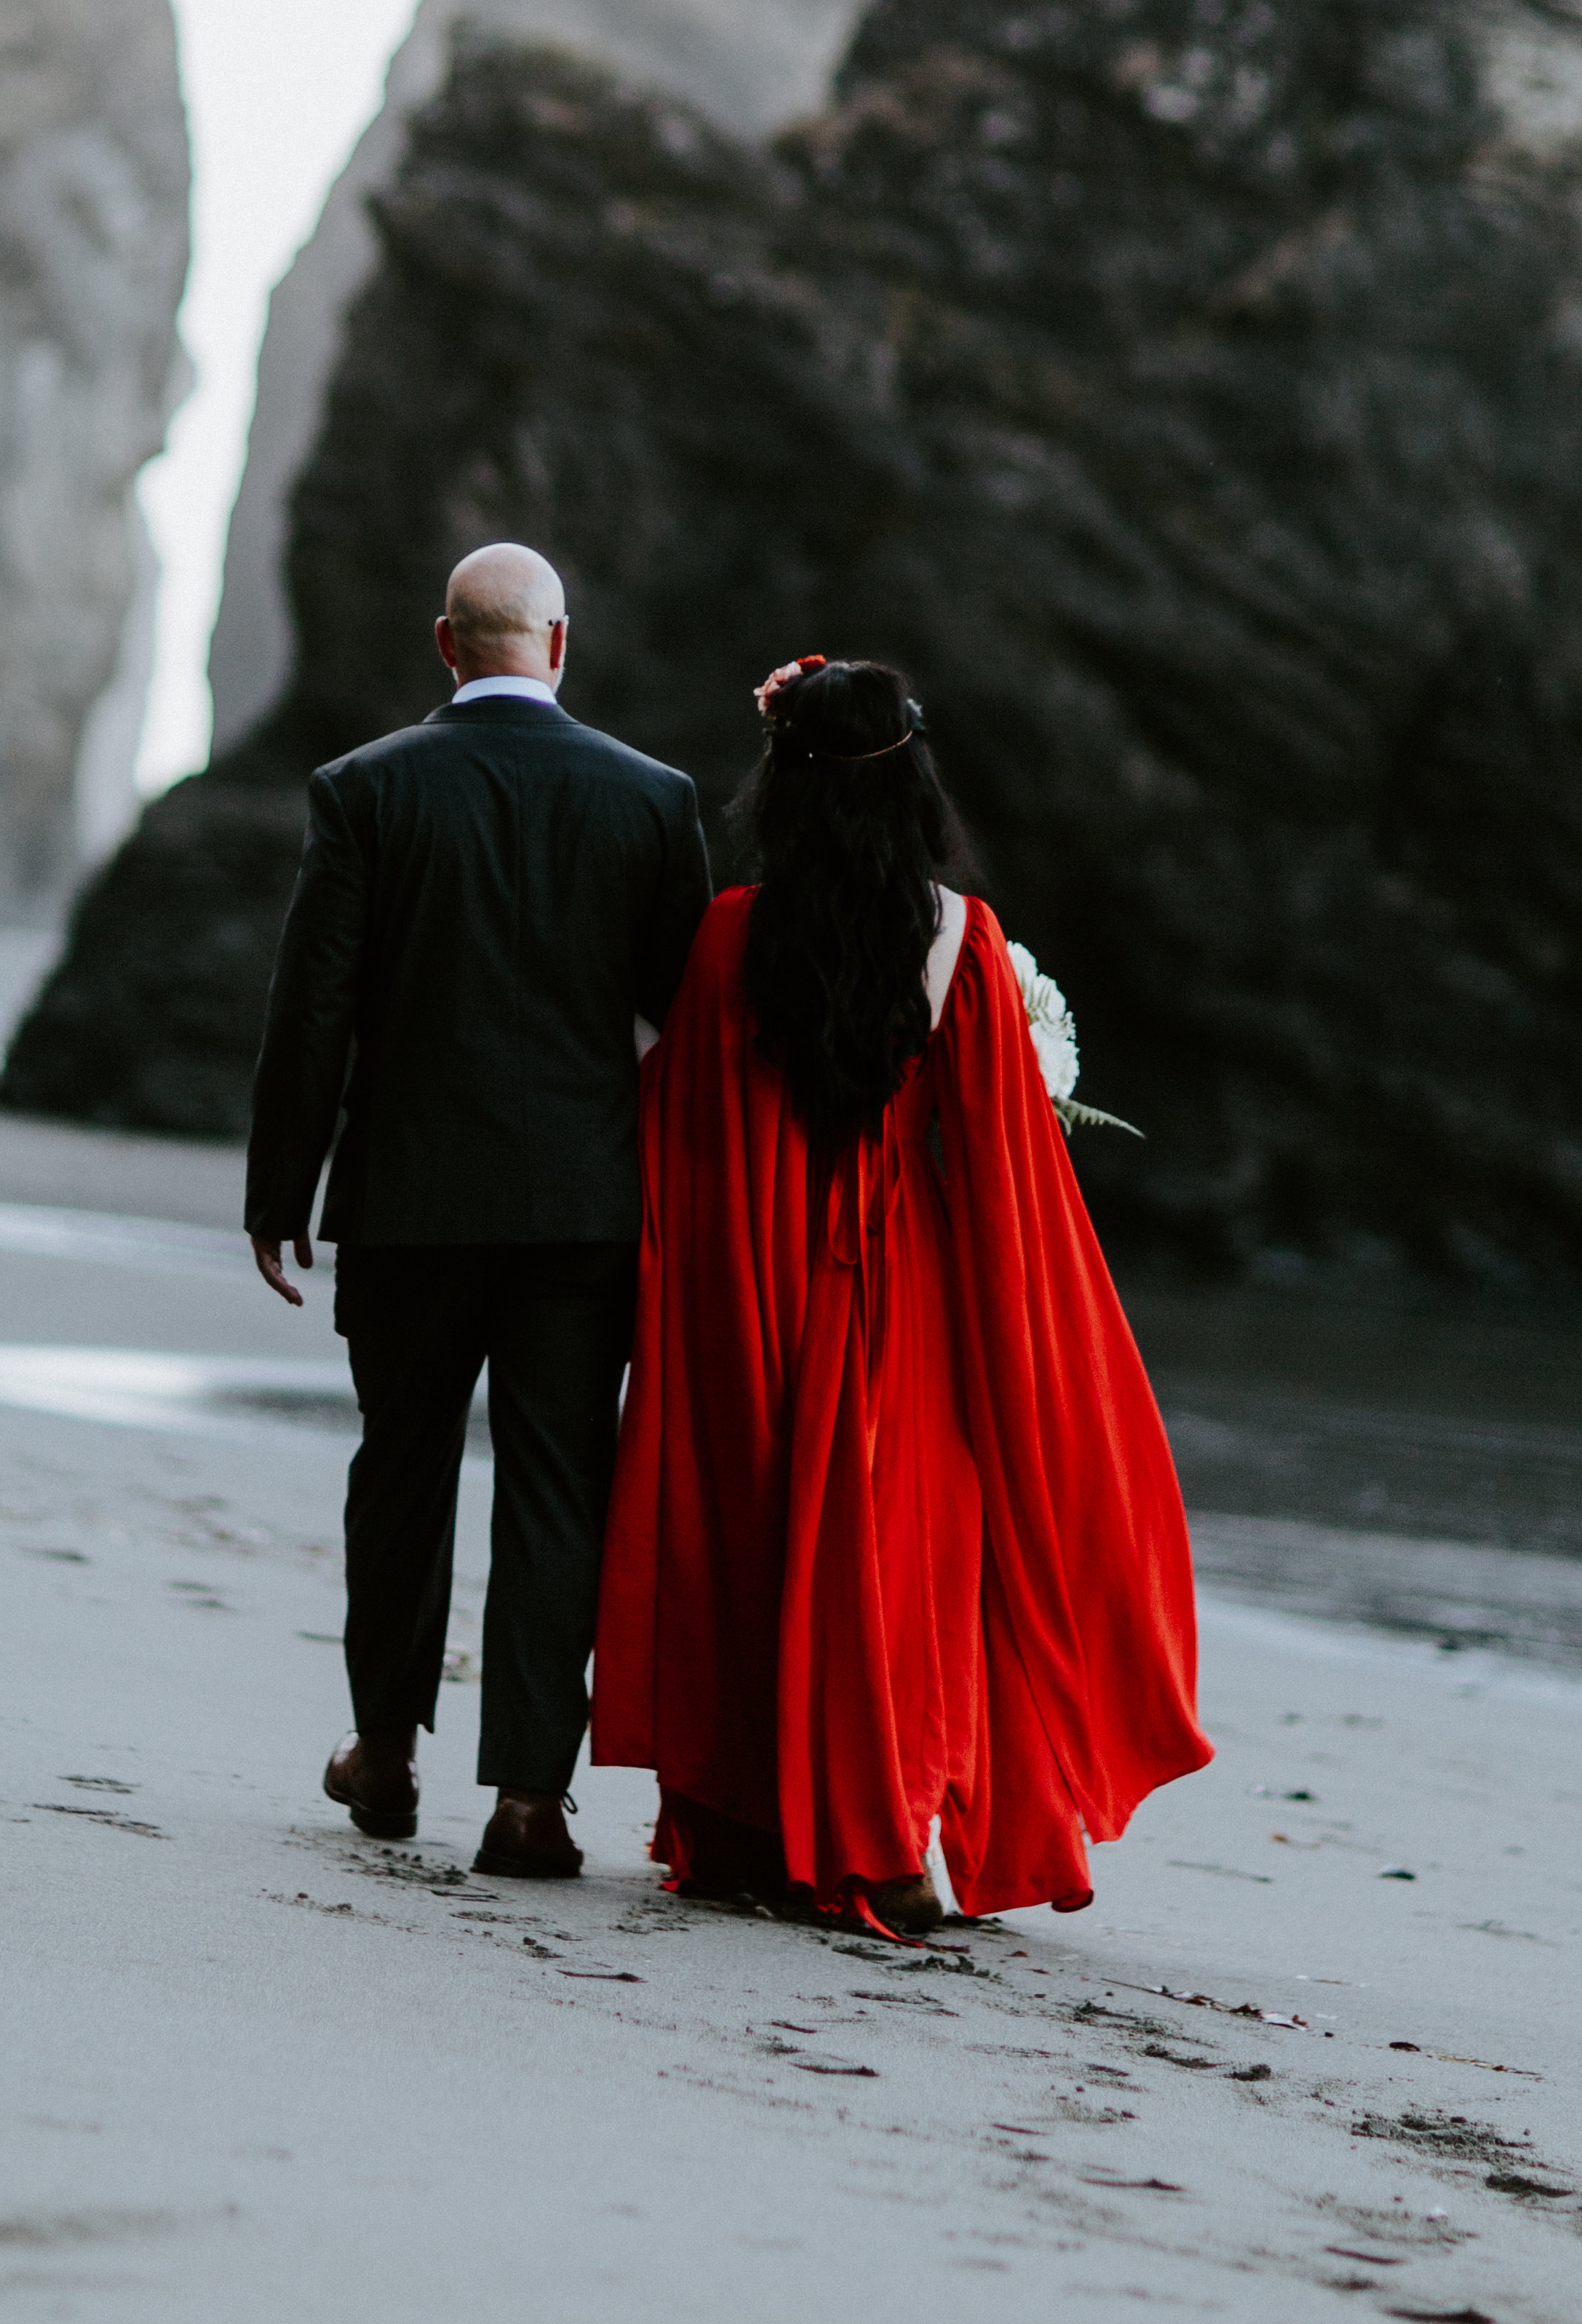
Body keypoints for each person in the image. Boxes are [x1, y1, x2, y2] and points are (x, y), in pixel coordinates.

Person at [594, 654, 1212, 1934]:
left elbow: (682, 1130)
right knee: (904, 1554)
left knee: (757, 1540)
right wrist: (1026, 1339)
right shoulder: (959, 940)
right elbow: (1002, 1172)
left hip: (759, 1285)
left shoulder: (725, 935)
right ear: (916, 779)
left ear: (785, 785)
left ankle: (757, 1828)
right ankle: (884, 1834)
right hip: (905, 1298)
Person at [247, 542, 712, 1880]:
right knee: (559, 1486)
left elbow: (313, 1008)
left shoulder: (366, 790)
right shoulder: (651, 798)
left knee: (400, 1475)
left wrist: (283, 1190)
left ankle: (385, 1752)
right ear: (558, 649)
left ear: (445, 646)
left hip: (407, 1205)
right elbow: (688, 1021)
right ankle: (526, 1801)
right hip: (580, 1211)